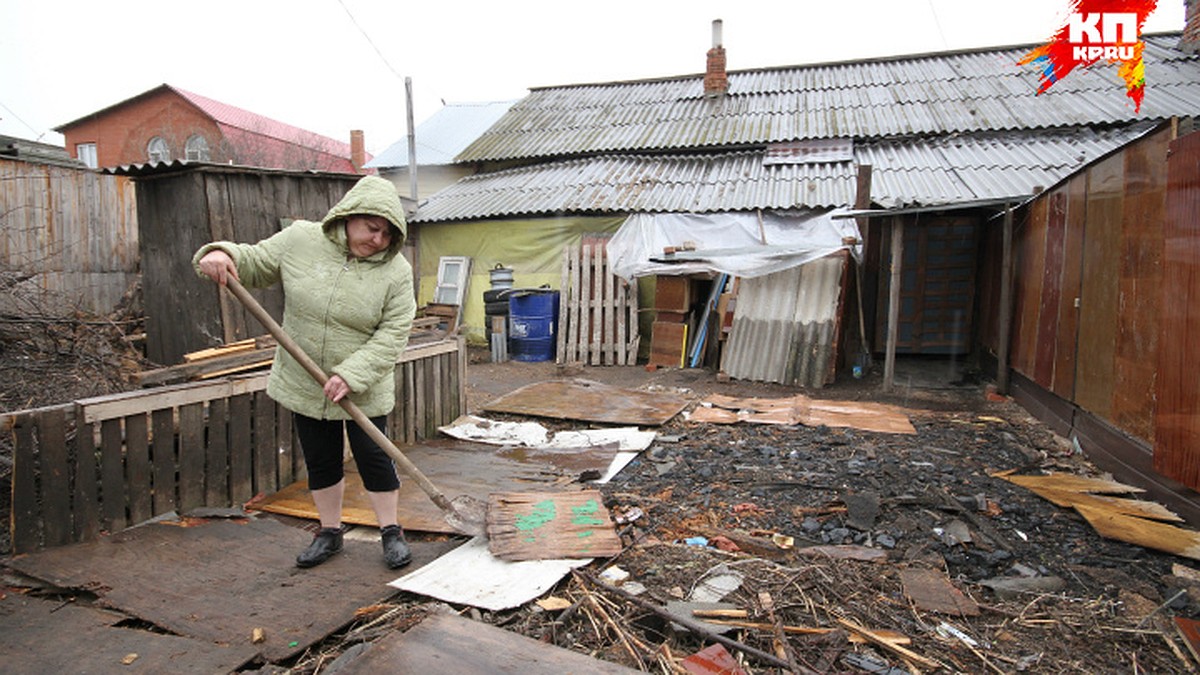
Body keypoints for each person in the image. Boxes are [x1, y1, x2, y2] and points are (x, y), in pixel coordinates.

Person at [193, 175, 415, 570]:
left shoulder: (395, 271)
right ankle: (329, 533)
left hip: (363, 384)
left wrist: (352, 374)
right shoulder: (300, 240)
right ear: (349, 217)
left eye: (386, 234)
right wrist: (221, 253)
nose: (378, 239)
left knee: (374, 458)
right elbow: (255, 262)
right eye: (372, 228)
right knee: (321, 459)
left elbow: (394, 332)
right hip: (304, 379)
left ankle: (391, 531)